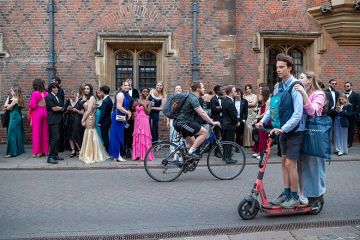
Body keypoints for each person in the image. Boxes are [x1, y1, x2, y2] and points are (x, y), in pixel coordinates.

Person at [256, 53, 305, 209]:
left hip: (294, 130)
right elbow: (272, 108)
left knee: (291, 163)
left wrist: (283, 129)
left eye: (281, 67)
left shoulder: (296, 86)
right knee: (284, 163)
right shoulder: (278, 87)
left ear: (290, 68)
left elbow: (298, 114)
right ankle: (286, 192)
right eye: (277, 67)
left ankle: (295, 196)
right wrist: (262, 121)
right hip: (281, 130)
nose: (278, 70)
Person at [294, 71, 326, 205]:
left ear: (310, 79)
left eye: (301, 77)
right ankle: (303, 193)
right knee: (301, 164)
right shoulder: (300, 93)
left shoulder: (319, 94)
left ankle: (317, 194)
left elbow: (312, 111)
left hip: (314, 133)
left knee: (314, 164)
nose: (299, 79)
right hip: (301, 132)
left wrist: (303, 93)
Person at [173, 82, 221, 160]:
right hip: (183, 123)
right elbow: (202, 113)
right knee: (204, 132)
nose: (204, 89)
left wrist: (208, 120)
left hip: (180, 123)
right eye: (203, 87)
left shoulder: (190, 96)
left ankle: (179, 154)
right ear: (198, 89)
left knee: (193, 143)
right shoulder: (193, 98)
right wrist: (212, 122)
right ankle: (190, 153)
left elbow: (202, 113)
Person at [79, 84, 109, 163]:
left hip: (90, 118)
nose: (86, 90)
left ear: (90, 90)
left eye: (88, 89)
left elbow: (88, 110)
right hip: (88, 116)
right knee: (88, 133)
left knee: (90, 133)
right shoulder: (86, 98)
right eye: (85, 88)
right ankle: (88, 153)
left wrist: (82, 120)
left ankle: (91, 154)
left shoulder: (92, 97)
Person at [109, 80, 132, 162]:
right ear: (121, 86)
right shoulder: (121, 94)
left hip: (121, 116)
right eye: (125, 85)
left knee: (118, 135)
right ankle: (117, 155)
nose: (127, 86)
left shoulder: (125, 95)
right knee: (118, 136)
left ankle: (116, 155)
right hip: (118, 115)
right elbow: (119, 107)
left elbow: (124, 106)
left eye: (128, 85)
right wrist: (128, 113)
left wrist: (127, 112)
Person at [28, 79, 49, 158]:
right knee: (45, 132)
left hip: (37, 112)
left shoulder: (35, 93)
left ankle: (37, 152)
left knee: (36, 133)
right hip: (45, 112)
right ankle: (45, 151)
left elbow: (32, 105)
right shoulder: (46, 93)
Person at [45, 83, 65, 164]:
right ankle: (50, 158)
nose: (56, 89)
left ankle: (55, 155)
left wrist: (61, 108)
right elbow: (54, 108)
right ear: (51, 89)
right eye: (54, 88)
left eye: (57, 88)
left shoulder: (57, 97)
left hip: (59, 120)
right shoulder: (49, 97)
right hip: (53, 120)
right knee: (55, 139)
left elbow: (61, 106)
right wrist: (61, 108)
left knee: (58, 139)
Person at [4, 85, 25, 158]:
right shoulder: (17, 99)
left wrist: (7, 102)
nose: (11, 92)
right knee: (17, 133)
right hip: (16, 116)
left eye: (12, 91)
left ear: (15, 92)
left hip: (14, 117)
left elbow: (8, 108)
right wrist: (7, 103)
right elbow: (6, 106)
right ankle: (18, 150)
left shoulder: (15, 99)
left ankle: (12, 152)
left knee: (10, 133)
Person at [132, 88, 153, 161]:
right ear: (141, 92)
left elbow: (148, 112)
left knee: (144, 136)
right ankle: (137, 154)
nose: (145, 93)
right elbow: (133, 109)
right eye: (144, 91)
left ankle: (144, 155)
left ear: (148, 93)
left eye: (147, 92)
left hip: (145, 121)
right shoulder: (137, 100)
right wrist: (135, 105)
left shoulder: (149, 102)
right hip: (137, 121)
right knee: (138, 136)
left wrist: (143, 105)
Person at [221, 85, 239, 164]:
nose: (236, 92)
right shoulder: (230, 102)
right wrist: (237, 122)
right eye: (234, 91)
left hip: (224, 124)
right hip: (229, 125)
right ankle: (228, 158)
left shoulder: (225, 100)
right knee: (229, 142)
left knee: (225, 142)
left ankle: (225, 157)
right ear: (231, 92)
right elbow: (233, 115)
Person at [64, 89, 84, 157]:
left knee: (76, 135)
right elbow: (64, 111)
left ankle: (79, 149)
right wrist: (67, 109)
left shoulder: (79, 102)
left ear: (76, 96)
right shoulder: (68, 101)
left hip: (77, 120)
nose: (72, 98)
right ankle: (73, 150)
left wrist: (76, 110)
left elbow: (82, 113)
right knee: (70, 135)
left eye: (74, 97)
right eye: (71, 97)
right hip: (69, 120)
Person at [252, 86, 270, 159]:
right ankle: (258, 152)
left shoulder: (269, 101)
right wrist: (257, 118)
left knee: (263, 138)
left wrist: (258, 118)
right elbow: (260, 110)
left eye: (261, 90)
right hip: (260, 120)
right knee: (259, 137)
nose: (259, 91)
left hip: (265, 121)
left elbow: (266, 113)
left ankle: (262, 154)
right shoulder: (262, 99)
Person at [124, 78, 139, 157]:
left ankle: (129, 148)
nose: (128, 85)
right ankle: (125, 148)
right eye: (126, 83)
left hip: (131, 117)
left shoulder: (135, 91)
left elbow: (136, 102)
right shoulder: (120, 94)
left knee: (130, 132)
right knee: (124, 132)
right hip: (123, 116)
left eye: (129, 82)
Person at [51, 76, 65, 152]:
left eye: (53, 81)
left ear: (57, 82)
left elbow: (60, 103)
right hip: (55, 115)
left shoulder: (60, 91)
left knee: (59, 133)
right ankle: (56, 150)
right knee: (56, 135)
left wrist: (60, 108)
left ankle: (59, 148)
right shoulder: (51, 94)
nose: (51, 82)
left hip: (59, 114)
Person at [343, 82, 359, 148]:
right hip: (344, 115)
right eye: (345, 86)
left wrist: (355, 113)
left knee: (351, 129)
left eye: (348, 86)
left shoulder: (355, 95)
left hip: (351, 115)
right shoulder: (343, 95)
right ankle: (345, 142)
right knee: (344, 129)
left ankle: (350, 142)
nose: (346, 87)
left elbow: (358, 105)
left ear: (351, 87)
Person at [97, 85, 113, 153]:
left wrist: (99, 122)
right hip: (108, 120)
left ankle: (108, 151)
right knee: (106, 135)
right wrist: (99, 107)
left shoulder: (105, 101)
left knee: (104, 136)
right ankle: (109, 150)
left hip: (104, 122)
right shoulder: (109, 99)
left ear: (103, 92)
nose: (100, 93)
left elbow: (103, 113)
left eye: (100, 91)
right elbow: (106, 109)